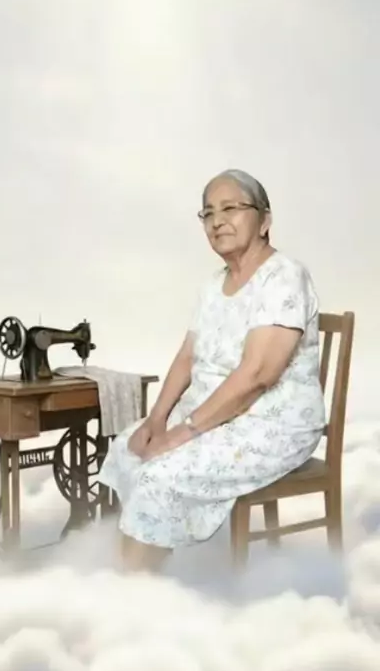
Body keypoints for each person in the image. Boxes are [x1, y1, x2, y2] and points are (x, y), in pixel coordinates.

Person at [99, 168, 326, 572]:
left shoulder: (285, 277)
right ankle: (138, 566)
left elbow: (258, 375)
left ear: (265, 221)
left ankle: (133, 588)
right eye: (208, 213)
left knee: (159, 473)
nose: (217, 221)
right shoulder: (212, 286)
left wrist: (181, 434)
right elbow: (188, 356)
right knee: (127, 449)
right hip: (215, 416)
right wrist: (156, 419)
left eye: (230, 208)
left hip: (272, 425)